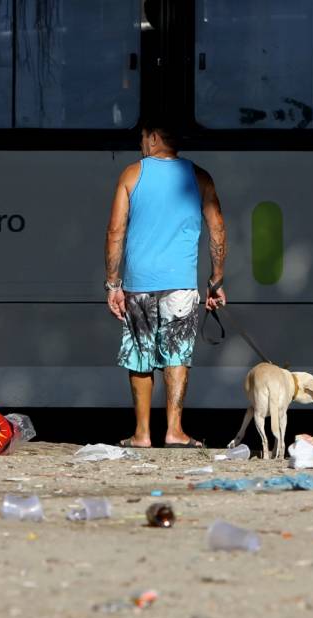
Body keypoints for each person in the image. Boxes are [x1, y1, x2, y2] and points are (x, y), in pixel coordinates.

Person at [104, 120, 227, 448]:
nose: (140, 144)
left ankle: (142, 434)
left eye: (142, 138)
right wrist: (215, 280)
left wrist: (113, 284)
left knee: (140, 355)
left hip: (139, 284)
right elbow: (217, 230)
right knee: (177, 354)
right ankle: (174, 431)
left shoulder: (132, 174)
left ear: (154, 137)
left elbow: (115, 232)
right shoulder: (200, 177)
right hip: (181, 284)